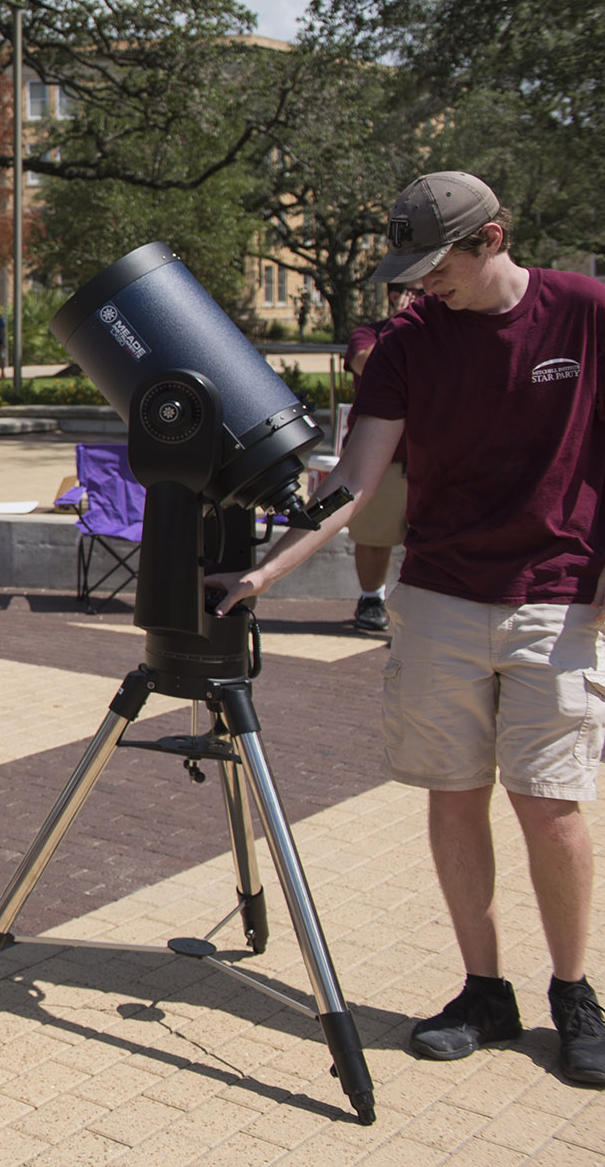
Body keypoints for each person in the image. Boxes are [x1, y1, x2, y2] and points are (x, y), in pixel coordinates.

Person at [207, 171, 604, 1088]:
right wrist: (269, 570)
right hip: (436, 595)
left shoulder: (582, 313)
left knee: (549, 806)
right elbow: (352, 478)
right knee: (454, 791)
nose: (422, 284)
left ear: (493, 238)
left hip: (556, 596)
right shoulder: (406, 344)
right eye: (411, 268)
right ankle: (482, 991)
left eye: (438, 266)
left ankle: (574, 994)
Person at [344, 280, 422, 631]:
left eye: (422, 291)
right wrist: (403, 324)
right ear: (393, 294)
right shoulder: (369, 334)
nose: (417, 297)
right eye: (409, 290)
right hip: (382, 458)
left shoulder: (443, 336)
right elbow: (367, 364)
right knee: (374, 536)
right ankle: (371, 598)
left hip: (431, 457)